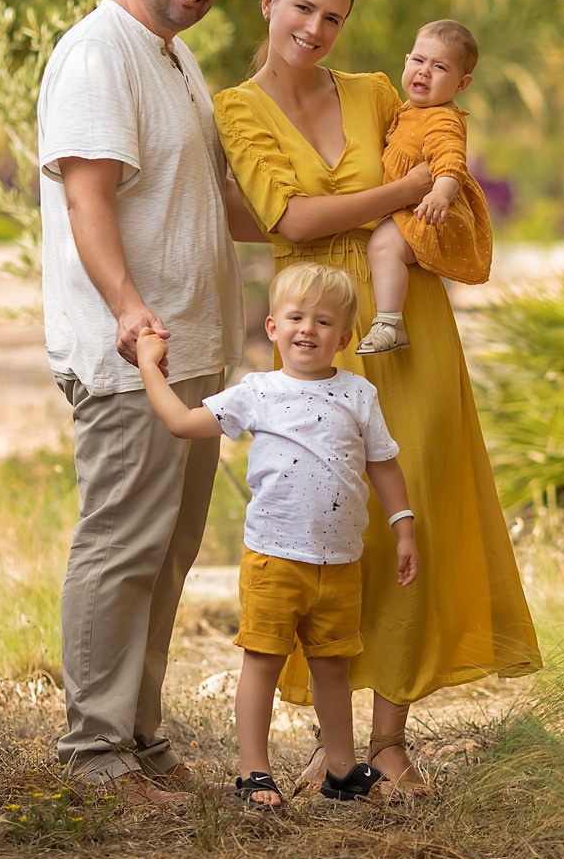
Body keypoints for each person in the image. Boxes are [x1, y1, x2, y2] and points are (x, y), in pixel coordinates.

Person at [211, 0, 541, 797]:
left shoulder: (375, 92)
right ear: (268, 2)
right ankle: (335, 743)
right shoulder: (237, 109)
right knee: (332, 523)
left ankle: (387, 743)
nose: (316, 30)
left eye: (334, 18)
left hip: (409, 324)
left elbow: (437, 162)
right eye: (304, 9)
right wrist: (393, 199)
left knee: (411, 512)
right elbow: (292, 214)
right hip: (318, 332)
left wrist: (412, 198)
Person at [35, 0, 262, 806]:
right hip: (135, 355)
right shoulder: (99, 55)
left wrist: (343, 225)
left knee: (169, 553)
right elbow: (89, 199)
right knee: (121, 547)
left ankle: (138, 733)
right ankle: (93, 755)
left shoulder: (173, 57)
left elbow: (214, 204)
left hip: (195, 354)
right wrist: (130, 309)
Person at [133, 263, 418, 810]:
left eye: (324, 320)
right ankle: (254, 774)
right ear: (271, 327)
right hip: (274, 559)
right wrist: (151, 368)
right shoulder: (257, 392)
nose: (307, 329)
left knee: (333, 667)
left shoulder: (358, 394)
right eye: (295, 317)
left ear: (345, 336)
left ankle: (340, 770)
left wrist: (402, 524)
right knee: (262, 661)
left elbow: (383, 463)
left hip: (340, 563)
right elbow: (182, 423)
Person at [355, 19, 493, 356]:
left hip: (429, 212)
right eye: (418, 61)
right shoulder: (408, 111)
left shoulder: (441, 119)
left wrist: (440, 194)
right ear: (406, 62)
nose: (424, 72)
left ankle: (389, 324)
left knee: (383, 247)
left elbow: (451, 162)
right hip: (413, 207)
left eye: (439, 66)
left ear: (461, 83)